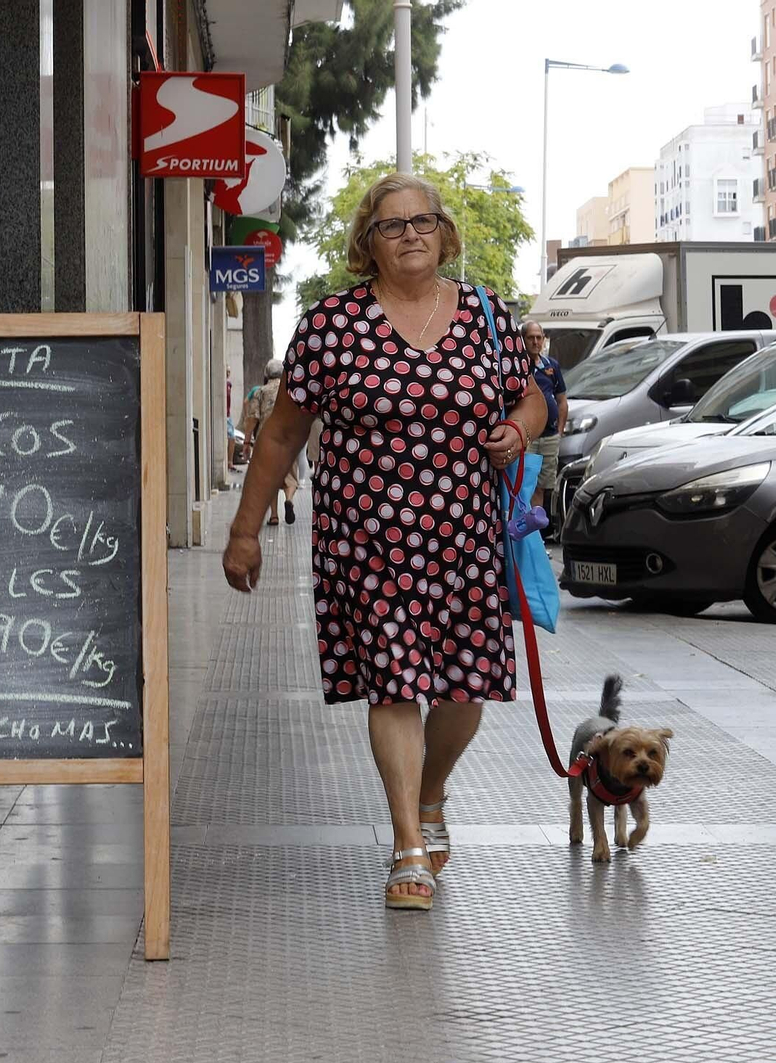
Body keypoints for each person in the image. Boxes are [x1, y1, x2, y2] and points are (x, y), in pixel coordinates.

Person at [221, 172, 547, 910]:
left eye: (423, 222)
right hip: (369, 539)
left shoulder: (488, 315)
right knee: (395, 679)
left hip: (468, 535)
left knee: (466, 684)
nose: (410, 236)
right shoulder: (330, 325)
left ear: (446, 233)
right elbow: (281, 432)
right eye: (393, 225)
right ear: (367, 242)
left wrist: (519, 426)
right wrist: (246, 529)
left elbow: (533, 395)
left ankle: (431, 793)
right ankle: (407, 842)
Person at [243, 359, 300, 525]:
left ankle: (274, 515)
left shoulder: (260, 392)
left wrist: (247, 443)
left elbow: (252, 418)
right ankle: (288, 500)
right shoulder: (290, 391)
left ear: (266, 374)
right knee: (290, 477)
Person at [522, 320, 567, 512]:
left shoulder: (552, 366)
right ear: (523, 340)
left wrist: (559, 430)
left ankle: (536, 533)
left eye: (538, 337)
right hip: (527, 436)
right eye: (530, 337)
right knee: (525, 485)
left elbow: (562, 400)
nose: (535, 342)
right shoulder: (517, 365)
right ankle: (523, 532)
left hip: (549, 436)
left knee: (541, 486)